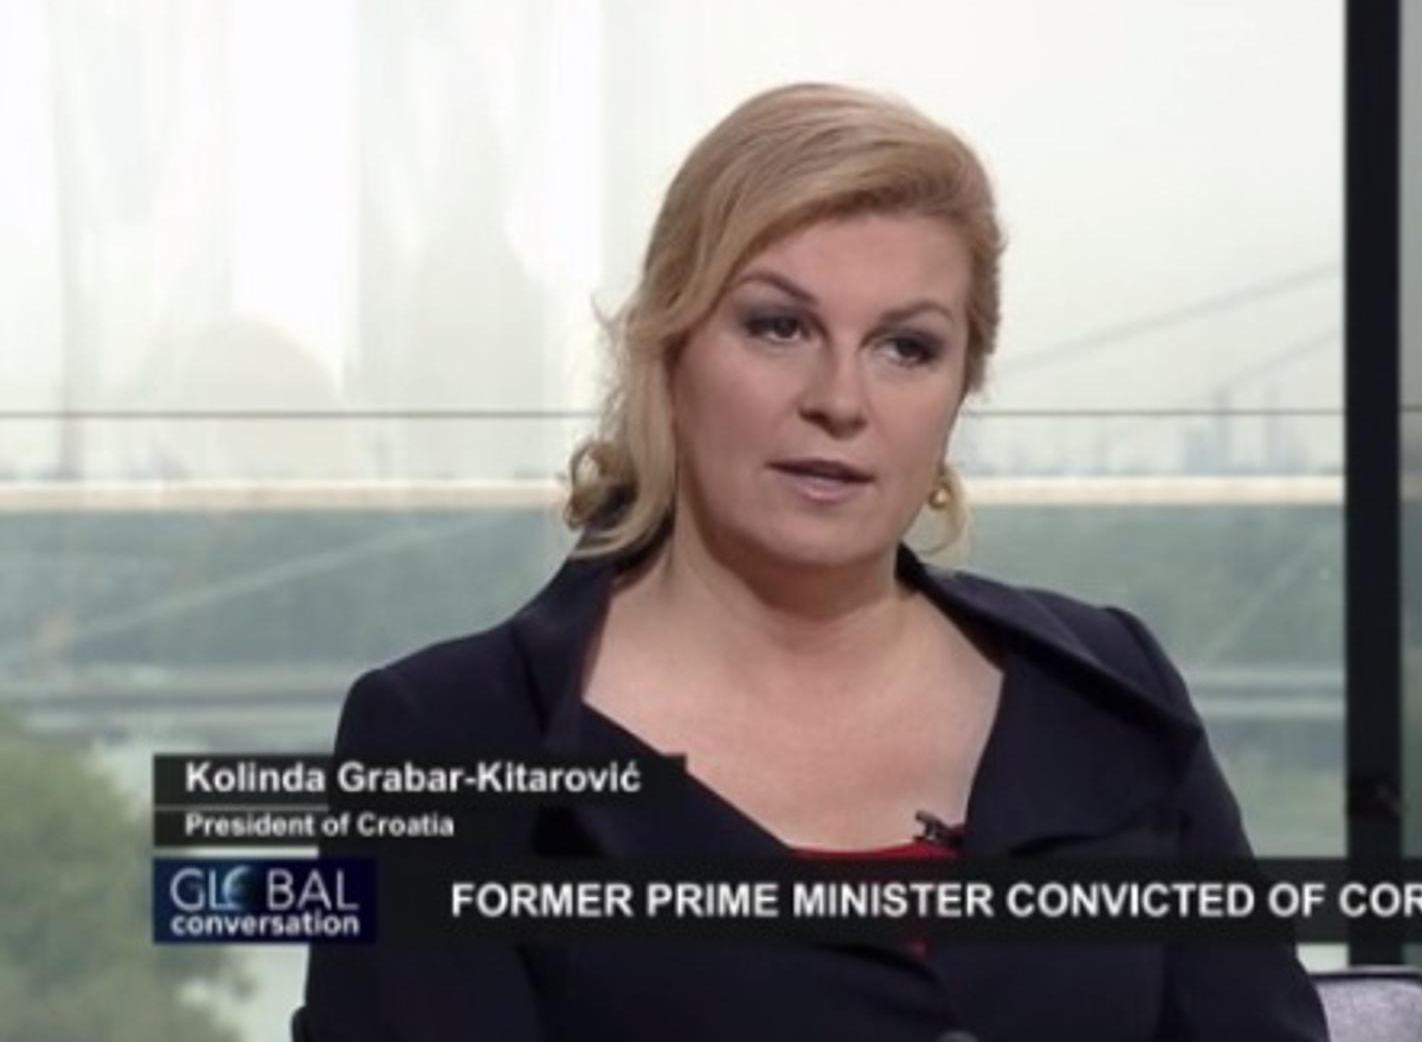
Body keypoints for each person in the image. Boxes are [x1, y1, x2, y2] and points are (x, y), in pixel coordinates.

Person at [299, 81, 1329, 1042]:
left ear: (961, 388)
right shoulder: (446, 737)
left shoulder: (1106, 687)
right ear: (667, 351)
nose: (840, 400)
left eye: (906, 348)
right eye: (778, 326)